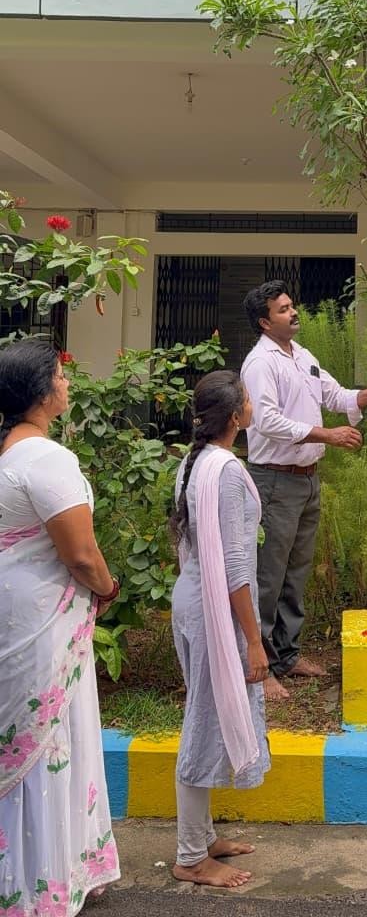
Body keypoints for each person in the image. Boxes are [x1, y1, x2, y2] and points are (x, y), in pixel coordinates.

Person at [0, 339, 121, 914]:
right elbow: (80, 554)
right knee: (48, 739)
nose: (67, 384)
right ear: (42, 391)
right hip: (42, 617)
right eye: (61, 377)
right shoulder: (46, 459)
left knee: (31, 735)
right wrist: (108, 589)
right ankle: (40, 885)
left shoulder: (8, 454)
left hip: (18, 610)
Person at [241, 281, 367, 701]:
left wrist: (366, 396)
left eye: (292, 305)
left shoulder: (303, 356)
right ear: (264, 322)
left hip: (306, 479)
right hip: (274, 480)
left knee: (296, 571)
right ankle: (259, 666)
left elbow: (335, 394)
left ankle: (287, 655)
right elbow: (266, 421)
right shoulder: (260, 363)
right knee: (268, 574)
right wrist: (327, 434)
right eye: (283, 309)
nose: (293, 312)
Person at [169, 370, 270, 889]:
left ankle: (204, 837)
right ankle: (190, 856)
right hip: (215, 612)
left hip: (192, 601)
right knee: (202, 726)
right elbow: (234, 566)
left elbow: (188, 543)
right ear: (235, 416)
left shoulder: (194, 461)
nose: (253, 404)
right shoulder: (225, 471)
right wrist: (253, 641)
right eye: (248, 399)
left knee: (204, 713)